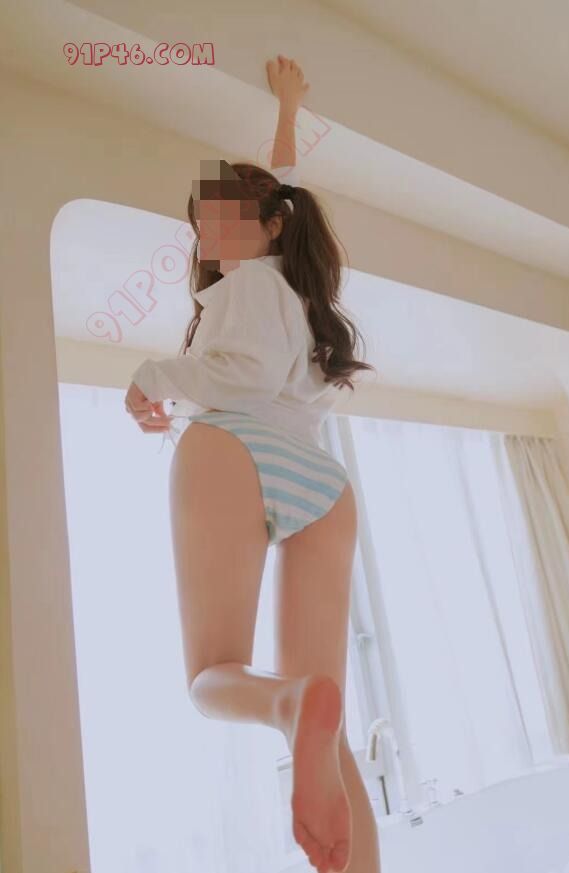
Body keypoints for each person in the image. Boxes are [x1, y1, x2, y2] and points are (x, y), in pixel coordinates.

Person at [124, 55, 380, 873]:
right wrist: (287, 110)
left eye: (221, 217)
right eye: (200, 220)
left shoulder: (242, 288)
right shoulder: (295, 292)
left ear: (269, 226)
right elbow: (284, 187)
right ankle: (307, 724)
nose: (206, 231)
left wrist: (152, 374)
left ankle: (286, 704)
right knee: (329, 729)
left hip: (235, 447)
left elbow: (244, 378)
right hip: (320, 482)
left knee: (211, 675)